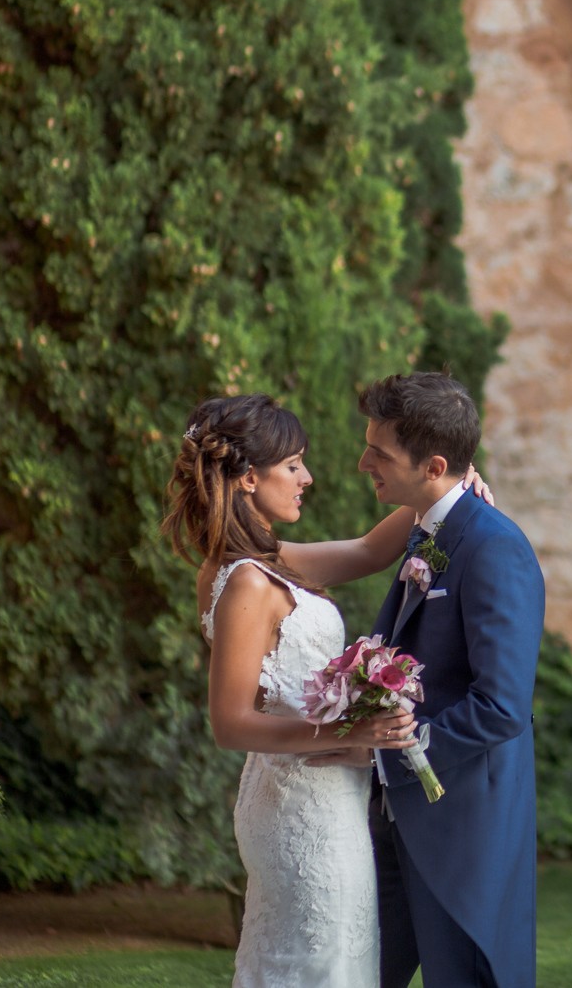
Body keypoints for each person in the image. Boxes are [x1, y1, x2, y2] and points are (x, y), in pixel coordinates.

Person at [167, 392, 480, 988]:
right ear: (245, 478)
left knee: (334, 961)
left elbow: (369, 550)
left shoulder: (266, 563)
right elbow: (229, 723)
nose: (307, 477)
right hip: (298, 809)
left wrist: (452, 488)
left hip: (323, 796)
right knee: (317, 965)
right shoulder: (245, 582)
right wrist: (352, 730)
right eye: (293, 465)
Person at [357, 372, 545, 988]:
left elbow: (502, 705)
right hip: (398, 815)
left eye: (379, 454)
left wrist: (407, 751)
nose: (364, 464)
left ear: (433, 465)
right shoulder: (429, 529)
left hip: (461, 823)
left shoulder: (494, 548)